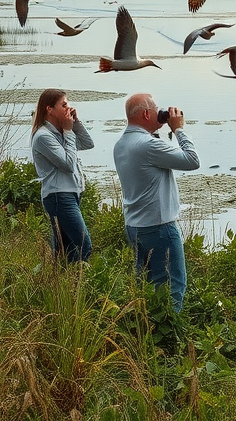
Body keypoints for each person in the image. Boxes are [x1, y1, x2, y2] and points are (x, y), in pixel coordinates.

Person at [113, 93, 199, 312]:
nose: (161, 113)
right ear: (145, 113)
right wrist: (178, 129)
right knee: (172, 288)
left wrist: (157, 129)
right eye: (156, 109)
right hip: (160, 228)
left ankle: (146, 333)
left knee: (147, 287)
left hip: (135, 226)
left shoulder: (122, 143)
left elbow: (152, 159)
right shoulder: (147, 145)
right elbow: (192, 160)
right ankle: (170, 338)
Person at [30, 88, 95, 263]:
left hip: (70, 194)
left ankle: (61, 283)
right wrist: (68, 132)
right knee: (83, 244)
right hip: (59, 195)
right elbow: (68, 164)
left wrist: (76, 122)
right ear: (50, 110)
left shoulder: (60, 132)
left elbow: (88, 143)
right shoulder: (43, 136)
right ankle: (77, 280)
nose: (68, 107)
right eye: (64, 105)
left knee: (64, 250)